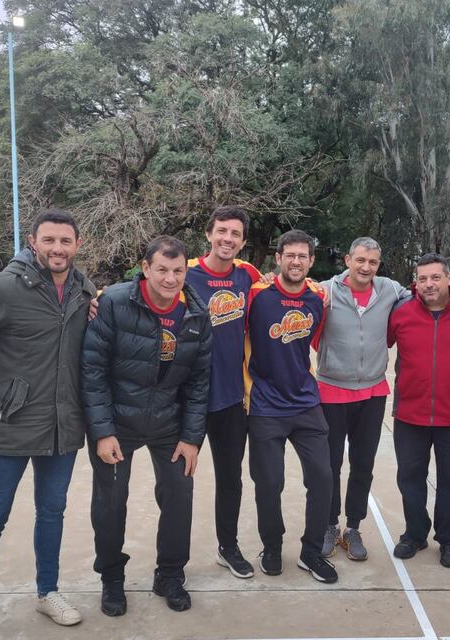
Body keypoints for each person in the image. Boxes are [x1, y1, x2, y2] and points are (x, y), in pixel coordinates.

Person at [0, 209, 97, 640]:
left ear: (77, 244)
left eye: (65, 241)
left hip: (63, 429)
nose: (57, 249)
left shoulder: (85, 292)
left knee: (52, 514)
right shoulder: (0, 289)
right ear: (33, 241)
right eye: (49, 241)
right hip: (8, 427)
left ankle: (48, 592)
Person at [82, 235, 212, 615]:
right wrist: (103, 431)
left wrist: (191, 438)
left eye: (178, 270)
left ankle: (170, 576)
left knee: (178, 498)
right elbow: (92, 370)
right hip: (118, 424)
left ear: (186, 270)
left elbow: (200, 382)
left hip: (169, 425)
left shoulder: (197, 314)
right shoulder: (113, 303)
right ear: (145, 267)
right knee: (110, 505)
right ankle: (112, 580)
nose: (170, 279)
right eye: (162, 270)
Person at [244, 229, 336, 584]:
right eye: (290, 255)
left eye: (303, 256)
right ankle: (271, 545)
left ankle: (312, 551)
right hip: (266, 404)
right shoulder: (256, 294)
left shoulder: (317, 297)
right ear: (278, 258)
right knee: (269, 483)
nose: (296, 261)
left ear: (311, 261)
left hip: (306, 403)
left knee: (323, 478)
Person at [387, 254, 450, 569]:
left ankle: (449, 539)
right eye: (422, 278)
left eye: (435, 278)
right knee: (409, 479)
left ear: (448, 279)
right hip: (410, 415)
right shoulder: (400, 312)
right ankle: (414, 534)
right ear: (416, 282)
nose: (428, 284)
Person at [185, 205, 264, 579]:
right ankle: (172, 563)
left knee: (231, 478)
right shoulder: (183, 272)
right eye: (221, 231)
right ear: (208, 234)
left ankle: (227, 547)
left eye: (234, 234)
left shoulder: (249, 276)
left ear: (243, 241)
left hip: (232, 397)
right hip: (186, 399)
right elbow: (134, 291)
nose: (227, 239)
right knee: (177, 483)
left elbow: (288, 291)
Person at [316, 237, 407, 561]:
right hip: (331, 390)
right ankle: (328, 525)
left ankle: (352, 528)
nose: (366, 267)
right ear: (347, 260)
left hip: (372, 392)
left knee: (363, 464)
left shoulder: (390, 290)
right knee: (329, 465)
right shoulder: (326, 290)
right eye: (360, 260)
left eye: (372, 262)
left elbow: (427, 294)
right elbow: (294, 297)